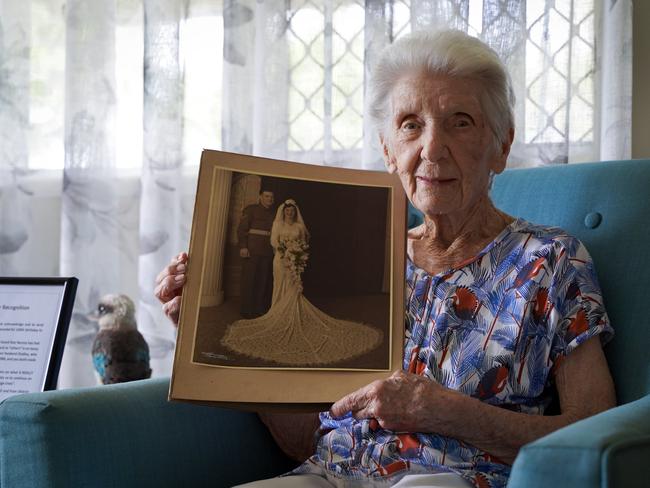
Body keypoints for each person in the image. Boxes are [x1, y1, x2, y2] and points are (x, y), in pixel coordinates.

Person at [155, 29, 616, 488]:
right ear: (387, 149)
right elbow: (303, 438)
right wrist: (199, 333)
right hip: (327, 475)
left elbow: (594, 436)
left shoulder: (551, 261)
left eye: (460, 121)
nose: (431, 149)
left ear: (501, 145)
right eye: (411, 124)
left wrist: (450, 413)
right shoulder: (376, 260)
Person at [221, 199, 382, 366]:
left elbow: (304, 242)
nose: (289, 213)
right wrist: (286, 250)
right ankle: (277, 311)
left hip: (295, 261)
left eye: (291, 211)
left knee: (293, 287)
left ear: (295, 212)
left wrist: (296, 252)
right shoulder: (277, 224)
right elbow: (273, 242)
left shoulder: (299, 227)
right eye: (287, 211)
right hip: (280, 260)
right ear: (283, 212)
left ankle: (291, 313)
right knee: (279, 286)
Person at [238, 189, 275, 318]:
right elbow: (242, 229)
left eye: (271, 197)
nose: (269, 199)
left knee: (262, 281)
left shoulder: (274, 213)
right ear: (260, 197)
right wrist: (243, 246)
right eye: (266, 196)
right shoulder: (251, 210)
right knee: (249, 280)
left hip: (267, 251)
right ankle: (246, 310)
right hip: (251, 251)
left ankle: (258, 308)